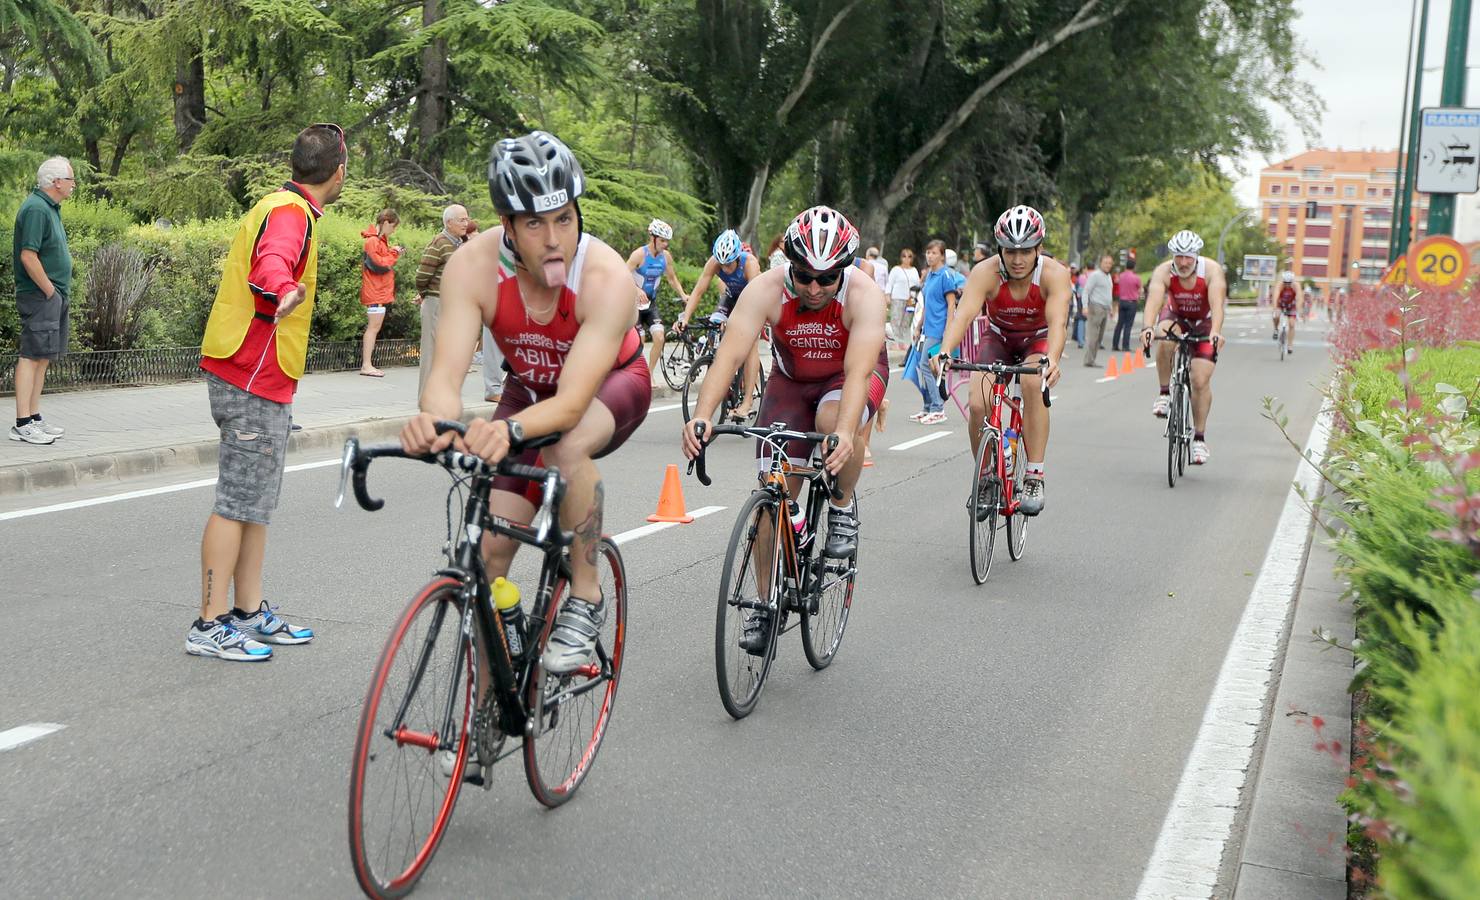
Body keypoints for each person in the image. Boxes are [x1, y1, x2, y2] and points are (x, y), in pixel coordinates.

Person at [403, 130, 650, 678]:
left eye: (564, 217)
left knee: (564, 444)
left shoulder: (605, 277)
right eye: (535, 223)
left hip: (609, 384)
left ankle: (585, 596)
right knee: (489, 554)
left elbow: (567, 406)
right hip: (528, 388)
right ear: (507, 224)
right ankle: (485, 729)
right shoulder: (472, 265)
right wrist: (438, 421)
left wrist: (507, 432)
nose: (554, 238)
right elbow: (443, 377)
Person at [680, 206, 887, 652]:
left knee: (834, 425)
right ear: (788, 264)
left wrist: (848, 433)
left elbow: (856, 376)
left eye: (826, 277)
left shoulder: (864, 295)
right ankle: (764, 602)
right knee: (772, 491)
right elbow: (730, 356)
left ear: (843, 271)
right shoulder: (766, 290)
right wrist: (702, 415)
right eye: (803, 275)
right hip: (791, 382)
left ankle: (842, 504)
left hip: (847, 379)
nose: (814, 287)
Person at [188, 124, 346, 660]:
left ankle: (248, 613)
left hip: (259, 373)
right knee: (236, 502)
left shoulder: (282, 205)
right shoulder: (290, 214)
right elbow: (272, 263)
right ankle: (208, 623)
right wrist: (283, 290)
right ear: (339, 173)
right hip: (250, 373)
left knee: (255, 504)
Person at [936, 205, 1068, 516]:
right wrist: (944, 352)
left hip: (1037, 339)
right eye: (1010, 251)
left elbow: (1058, 322)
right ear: (1000, 250)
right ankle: (985, 477)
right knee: (978, 401)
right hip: (998, 340)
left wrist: (1052, 359)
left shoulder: (1054, 274)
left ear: (1039, 249)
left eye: (1026, 251)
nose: (1018, 259)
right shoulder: (985, 272)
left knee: (1034, 383)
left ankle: (1034, 474)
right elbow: (964, 314)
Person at [1141, 230, 1228, 466]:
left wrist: (1216, 332)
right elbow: (1154, 301)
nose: (1183, 262)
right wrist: (1147, 327)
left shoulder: (1211, 271)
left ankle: (1199, 439)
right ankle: (1164, 394)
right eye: (1178, 256)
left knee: (1200, 381)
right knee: (1164, 336)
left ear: (1197, 256)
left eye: (1188, 257)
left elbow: (1217, 305)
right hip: (1176, 316)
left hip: (1205, 322)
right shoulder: (1164, 271)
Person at [10, 156, 76, 445]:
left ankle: (34, 416)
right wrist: (50, 290)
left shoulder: (50, 207)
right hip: (40, 295)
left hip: (51, 295)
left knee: (43, 357)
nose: (74, 185)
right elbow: (28, 255)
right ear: (56, 182)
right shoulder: (37, 208)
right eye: (71, 179)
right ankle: (22, 423)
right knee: (31, 356)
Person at [676, 229, 763, 420]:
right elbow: (699, 290)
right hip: (731, 297)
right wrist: (685, 318)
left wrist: (735, 322)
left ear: (737, 257)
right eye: (722, 265)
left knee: (750, 345)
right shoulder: (715, 262)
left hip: (752, 299)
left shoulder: (750, 263)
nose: (725, 269)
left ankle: (747, 401)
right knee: (715, 323)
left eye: (729, 264)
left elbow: (754, 300)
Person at [415, 204, 473, 400]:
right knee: (431, 354)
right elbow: (422, 276)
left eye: (466, 219)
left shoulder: (459, 243)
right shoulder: (439, 243)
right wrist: (425, 294)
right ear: (449, 223)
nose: (466, 223)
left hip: (451, 305)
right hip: (436, 303)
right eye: (461, 220)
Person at [911, 239, 964, 424]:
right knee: (922, 366)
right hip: (927, 328)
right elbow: (926, 305)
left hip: (939, 329)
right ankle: (927, 407)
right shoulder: (929, 276)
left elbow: (951, 305)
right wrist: (918, 327)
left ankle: (938, 408)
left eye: (934, 253)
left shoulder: (945, 276)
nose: (930, 256)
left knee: (926, 365)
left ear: (942, 255)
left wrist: (948, 332)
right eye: (928, 252)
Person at [627, 219, 687, 374]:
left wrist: (683, 295)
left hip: (650, 304)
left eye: (667, 241)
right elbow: (622, 275)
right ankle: (634, 373)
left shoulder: (665, 257)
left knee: (659, 338)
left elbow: (672, 279)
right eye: (662, 240)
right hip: (633, 304)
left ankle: (649, 374)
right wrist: (636, 290)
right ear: (652, 238)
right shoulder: (639, 254)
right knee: (639, 340)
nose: (665, 244)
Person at [358, 209, 402, 377]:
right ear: (385, 223)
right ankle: (366, 365)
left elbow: (382, 262)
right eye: (393, 226)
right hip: (375, 291)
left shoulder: (377, 241)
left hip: (378, 291)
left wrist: (393, 252)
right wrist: (395, 253)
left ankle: (367, 365)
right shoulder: (373, 242)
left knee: (374, 328)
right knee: (373, 328)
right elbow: (380, 265)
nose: (394, 230)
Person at [1082, 254, 1115, 367]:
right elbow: (1086, 290)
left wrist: (1110, 308)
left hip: (1105, 308)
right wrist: (1085, 306)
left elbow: (1108, 293)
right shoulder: (1095, 275)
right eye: (1106, 263)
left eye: (1110, 263)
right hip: (1095, 307)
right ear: (1101, 263)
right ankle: (1089, 360)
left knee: (1100, 337)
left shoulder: (1108, 276)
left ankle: (1091, 359)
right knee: (1093, 335)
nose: (1108, 265)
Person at [886, 248, 921, 339]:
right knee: (896, 319)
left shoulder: (914, 270)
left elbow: (917, 284)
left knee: (907, 320)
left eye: (909, 256)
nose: (906, 258)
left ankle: (903, 340)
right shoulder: (896, 269)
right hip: (898, 297)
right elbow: (890, 283)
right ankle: (894, 339)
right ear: (901, 258)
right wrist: (887, 295)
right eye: (904, 256)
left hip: (911, 299)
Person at [1113, 255, 1141, 352]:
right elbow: (1139, 289)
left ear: (1126, 267)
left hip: (1122, 301)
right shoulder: (1136, 278)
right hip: (1131, 302)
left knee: (1119, 324)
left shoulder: (1121, 276)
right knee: (1128, 325)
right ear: (1134, 267)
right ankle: (1125, 345)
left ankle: (1115, 344)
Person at [1272, 270, 1297, 354]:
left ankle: (1290, 345)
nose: (1287, 285)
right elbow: (1275, 297)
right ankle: (1276, 329)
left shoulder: (1296, 286)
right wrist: (1275, 308)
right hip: (1281, 305)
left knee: (1292, 324)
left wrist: (1299, 310)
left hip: (1291, 306)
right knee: (1276, 315)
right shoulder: (1279, 285)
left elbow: (1300, 298)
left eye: (1289, 283)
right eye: (1285, 283)